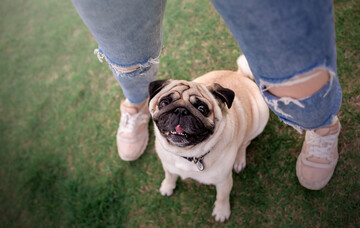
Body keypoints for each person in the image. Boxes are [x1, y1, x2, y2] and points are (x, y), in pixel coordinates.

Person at [71, 0, 342, 190]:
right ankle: (136, 103)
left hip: (232, 133)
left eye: (199, 108)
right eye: (167, 102)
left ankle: (320, 126)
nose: (179, 113)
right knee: (125, 50)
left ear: (221, 106)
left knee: (285, 44)